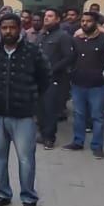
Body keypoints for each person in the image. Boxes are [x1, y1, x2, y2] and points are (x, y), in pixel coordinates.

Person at [0, 13, 50, 206]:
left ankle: (28, 198)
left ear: (20, 29)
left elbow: (45, 77)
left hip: (23, 116)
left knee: (25, 159)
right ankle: (3, 193)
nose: (8, 31)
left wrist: (31, 99)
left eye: (12, 28)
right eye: (4, 28)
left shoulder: (32, 52)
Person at [63, 11, 104, 159]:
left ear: (95, 23)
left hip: (98, 85)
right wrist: (71, 72)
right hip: (78, 83)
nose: (85, 23)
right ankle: (78, 141)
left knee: (97, 116)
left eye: (88, 21)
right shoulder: (76, 39)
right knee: (78, 114)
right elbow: (71, 58)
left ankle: (97, 146)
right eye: (83, 21)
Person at [35, 8, 75, 149]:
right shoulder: (42, 35)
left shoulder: (63, 36)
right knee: (39, 108)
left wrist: (52, 69)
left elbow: (69, 57)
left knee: (50, 109)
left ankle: (49, 138)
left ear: (58, 19)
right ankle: (42, 133)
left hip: (54, 78)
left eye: (50, 16)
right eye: (45, 16)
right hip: (39, 78)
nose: (46, 18)